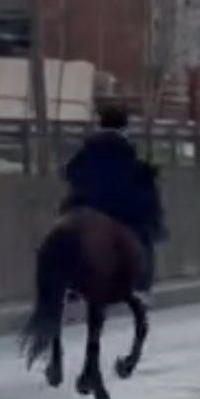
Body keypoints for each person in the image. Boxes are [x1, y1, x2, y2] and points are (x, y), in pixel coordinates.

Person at [62, 102, 165, 290]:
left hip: (85, 210)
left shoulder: (86, 151)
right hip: (120, 213)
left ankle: (63, 286)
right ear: (125, 127)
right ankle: (142, 287)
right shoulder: (127, 153)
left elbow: (69, 173)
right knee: (145, 236)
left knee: (63, 238)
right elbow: (139, 191)